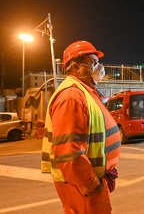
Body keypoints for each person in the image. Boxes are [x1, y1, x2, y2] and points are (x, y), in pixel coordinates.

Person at [41, 40, 121, 213]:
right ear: (76, 67)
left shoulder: (84, 92)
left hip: (87, 185)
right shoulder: (72, 97)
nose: (99, 67)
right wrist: (92, 185)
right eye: (93, 63)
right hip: (83, 187)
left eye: (98, 62)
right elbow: (69, 153)